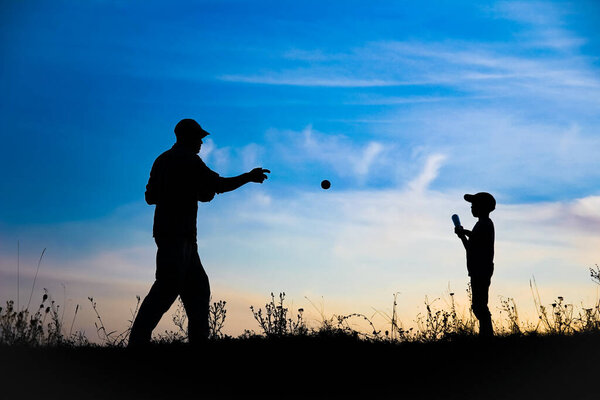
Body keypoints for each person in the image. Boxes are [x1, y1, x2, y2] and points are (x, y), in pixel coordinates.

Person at [128, 119, 270, 346]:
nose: (202, 143)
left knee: (197, 289)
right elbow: (219, 185)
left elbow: (150, 197)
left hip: (172, 235)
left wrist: (188, 190)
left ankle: (196, 344)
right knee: (166, 289)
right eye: (198, 138)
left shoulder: (162, 160)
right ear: (187, 138)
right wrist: (248, 177)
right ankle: (138, 342)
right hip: (179, 235)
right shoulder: (190, 161)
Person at [454, 192, 495, 337]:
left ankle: (487, 337)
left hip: (481, 270)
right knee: (479, 305)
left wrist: (463, 233)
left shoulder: (484, 224)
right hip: (479, 269)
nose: (471, 208)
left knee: (479, 306)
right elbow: (471, 247)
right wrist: (462, 235)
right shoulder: (482, 225)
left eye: (474, 205)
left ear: (482, 207)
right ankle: (486, 335)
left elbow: (474, 242)